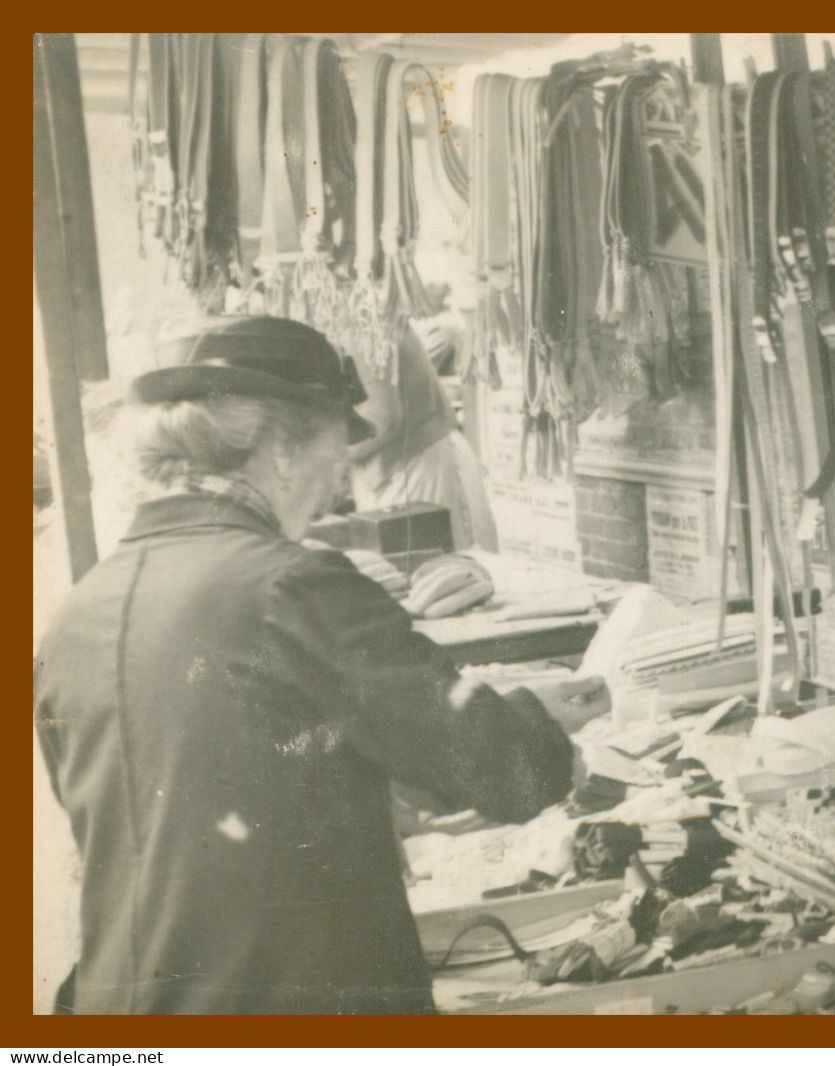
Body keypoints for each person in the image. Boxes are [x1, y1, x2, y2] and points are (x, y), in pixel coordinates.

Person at [33, 316, 608, 1014]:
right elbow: (498, 767)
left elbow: (178, 805)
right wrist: (539, 731)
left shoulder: (78, 611)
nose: (342, 476)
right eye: (337, 445)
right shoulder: (293, 585)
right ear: (278, 449)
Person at [348, 320, 498, 552]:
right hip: (395, 471)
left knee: (427, 575)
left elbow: (382, 418)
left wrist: (326, 456)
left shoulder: (360, 320)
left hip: (415, 468)